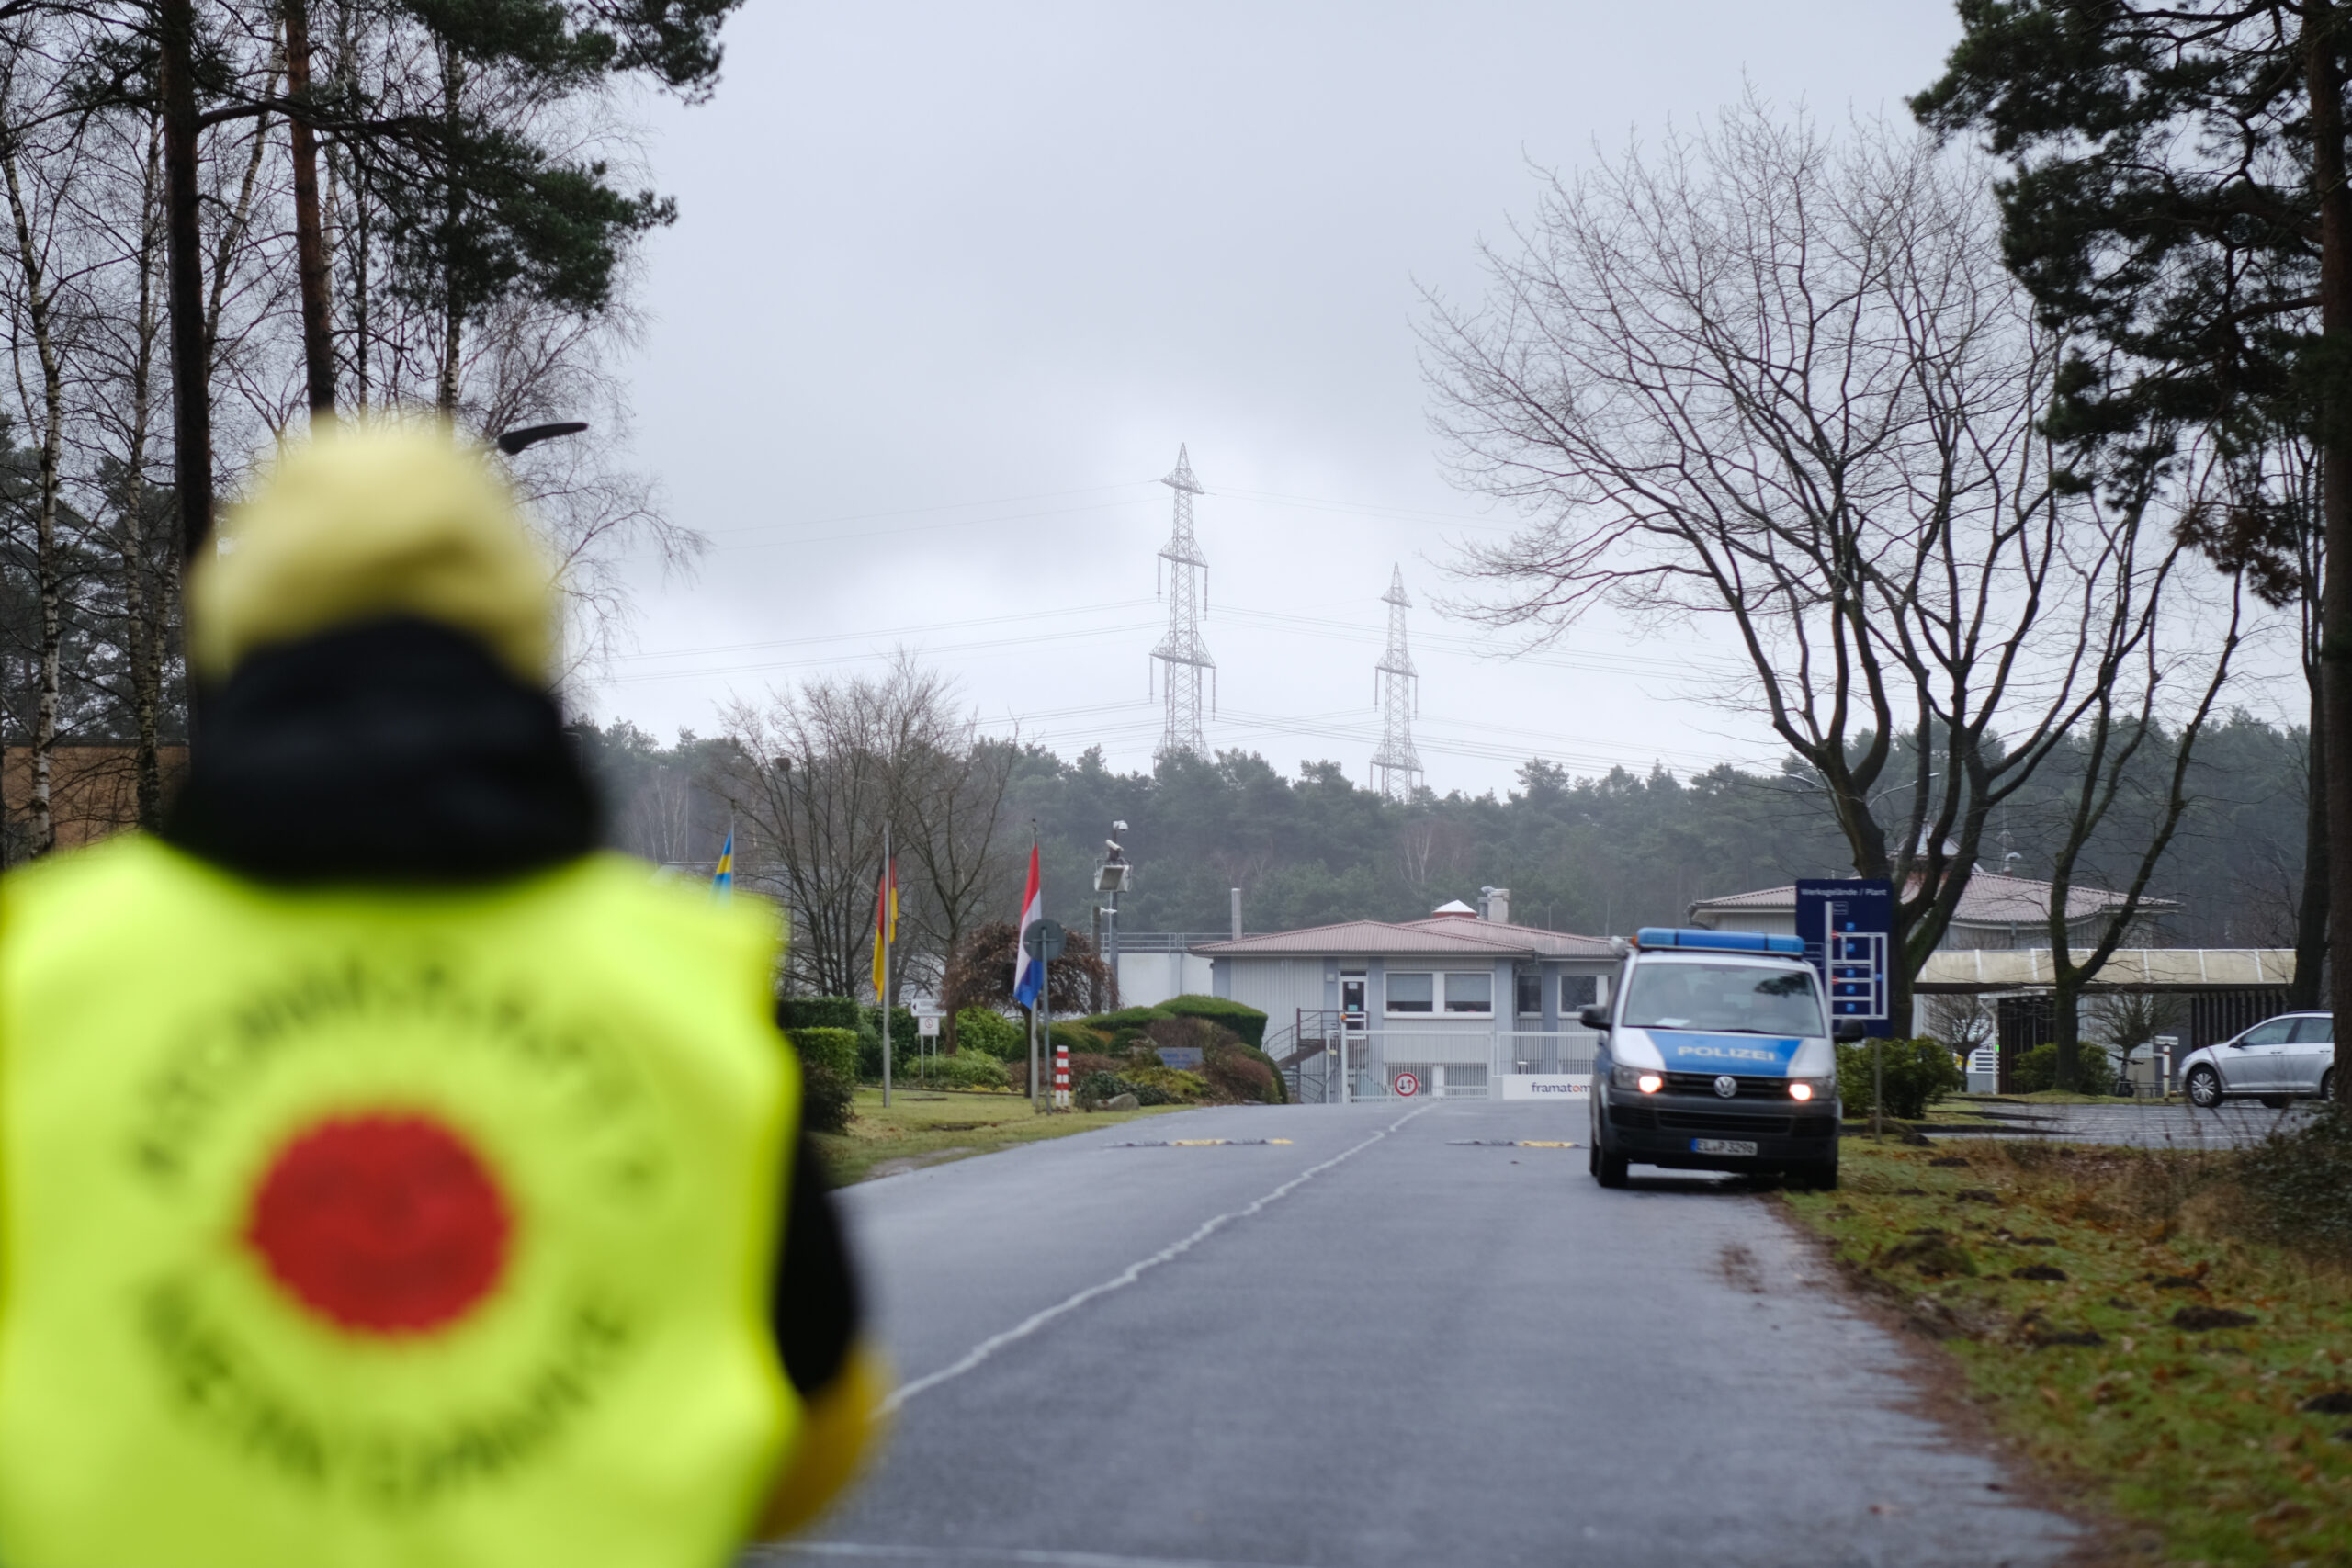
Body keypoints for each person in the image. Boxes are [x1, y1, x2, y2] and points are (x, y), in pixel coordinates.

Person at [0, 425, 882, 1568]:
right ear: (521, 647)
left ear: (235, 644)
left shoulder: (50, 979)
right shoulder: (680, 993)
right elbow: (815, 1431)